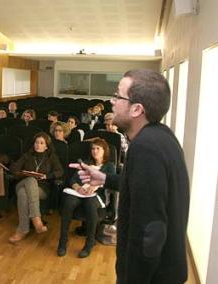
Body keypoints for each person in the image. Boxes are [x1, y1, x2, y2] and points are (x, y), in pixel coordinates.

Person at [76, 69, 190, 284]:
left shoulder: (145, 148)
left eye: (118, 96)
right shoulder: (162, 135)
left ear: (137, 109)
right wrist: (105, 179)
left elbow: (150, 232)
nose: (112, 101)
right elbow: (144, 188)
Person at [57, 138, 115, 258]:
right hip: (80, 192)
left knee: (90, 204)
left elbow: (111, 183)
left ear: (104, 151)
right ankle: (62, 242)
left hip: (96, 194)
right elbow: (73, 179)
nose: (95, 151)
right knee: (68, 203)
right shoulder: (86, 163)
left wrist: (96, 186)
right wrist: (78, 187)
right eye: (93, 148)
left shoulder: (109, 166)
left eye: (98, 148)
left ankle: (89, 243)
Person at [8, 132, 63, 243]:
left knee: (23, 194)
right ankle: (36, 219)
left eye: (41, 143)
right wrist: (24, 173)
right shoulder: (27, 155)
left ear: (46, 146)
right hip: (22, 183)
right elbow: (13, 168)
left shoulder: (51, 157)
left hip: (42, 189)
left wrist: (47, 176)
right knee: (31, 180)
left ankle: (22, 230)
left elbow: (60, 171)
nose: (38, 145)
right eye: (36, 142)